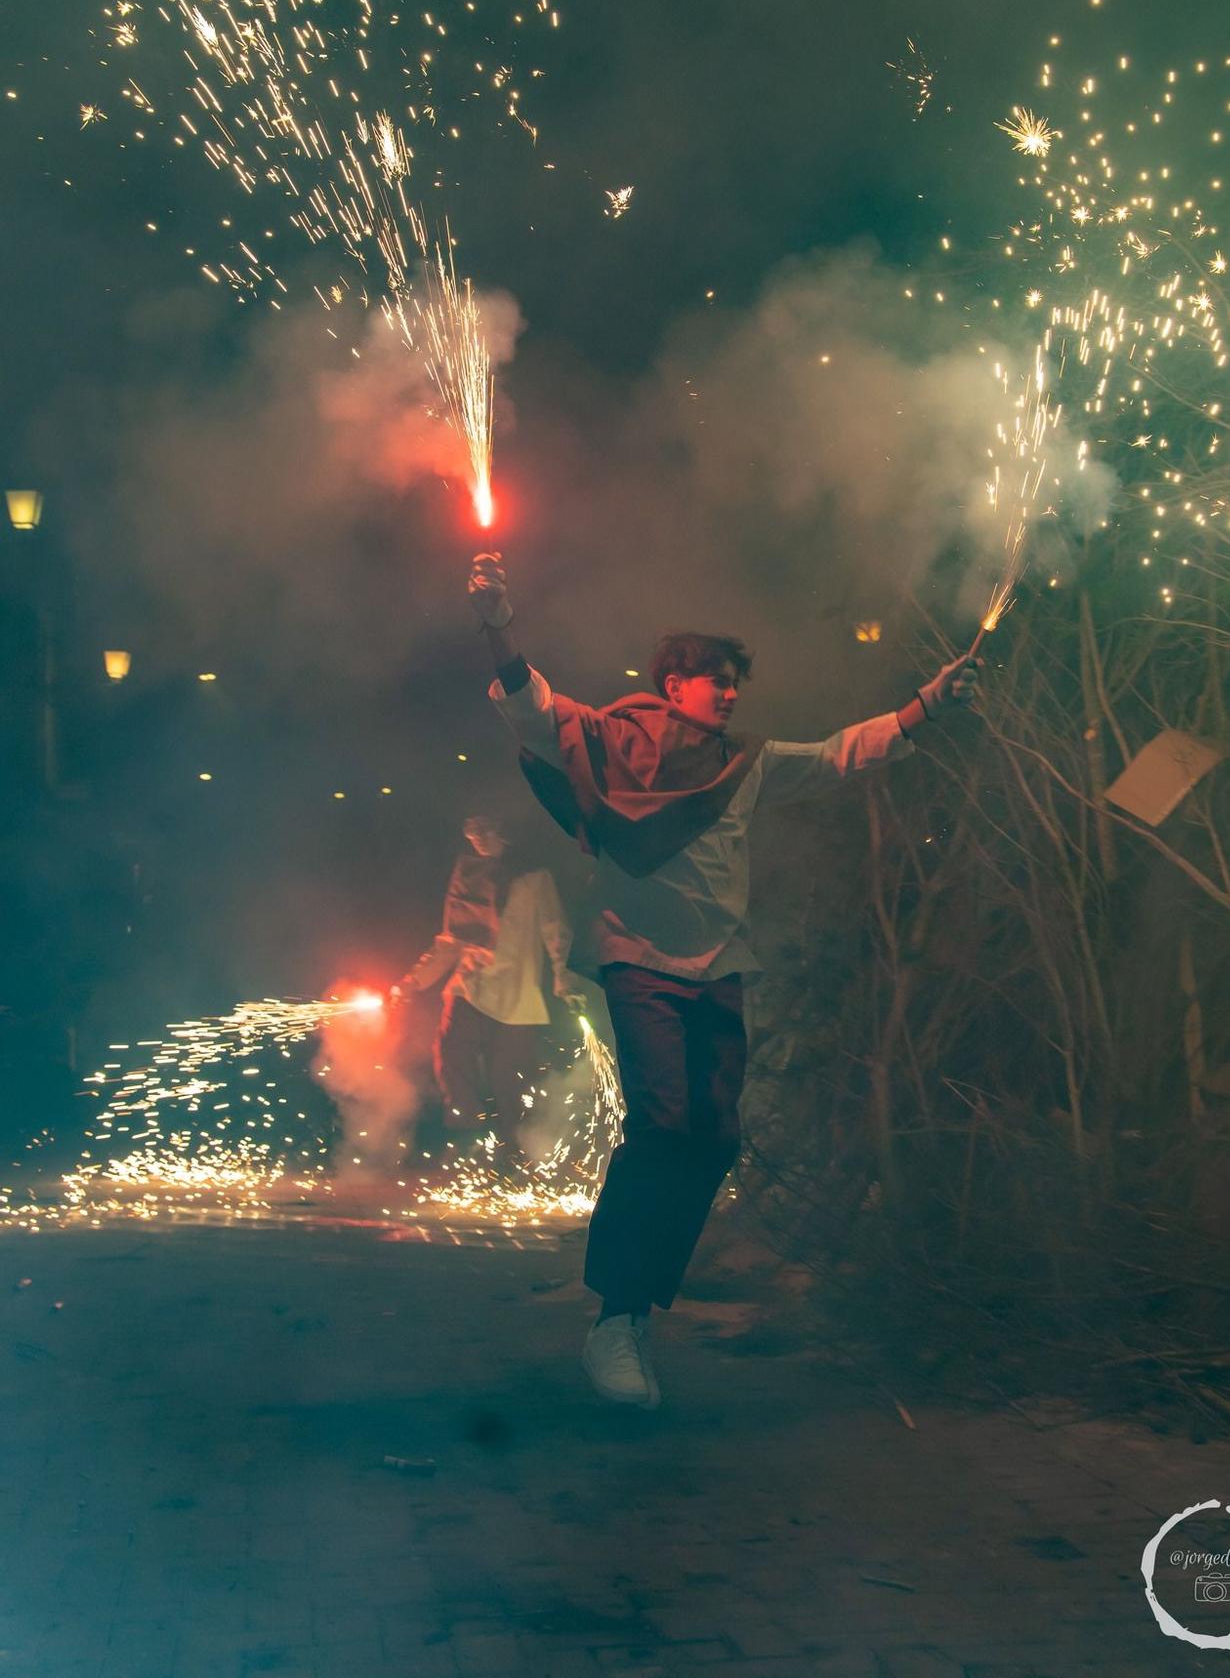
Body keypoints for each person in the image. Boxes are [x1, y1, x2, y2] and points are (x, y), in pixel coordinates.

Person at [466, 551, 982, 1410]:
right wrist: (496, 626)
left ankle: (637, 1313)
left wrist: (924, 708)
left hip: (719, 970)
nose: (731, 693)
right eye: (715, 680)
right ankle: (617, 1319)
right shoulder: (610, 741)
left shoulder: (744, 764)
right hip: (638, 962)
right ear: (673, 685)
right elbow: (533, 712)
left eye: (736, 682)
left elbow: (838, 756)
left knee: (713, 1140)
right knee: (664, 1123)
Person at [393, 814, 575, 1170]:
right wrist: (412, 980)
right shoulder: (468, 872)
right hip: (469, 986)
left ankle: (513, 1157)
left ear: (504, 831)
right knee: (451, 1056)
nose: (475, 836)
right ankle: (468, 1142)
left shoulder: (534, 878)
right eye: (470, 830)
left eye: (483, 828)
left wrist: (562, 975)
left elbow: (555, 929)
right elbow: (449, 940)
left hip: (515, 995)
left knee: (511, 1081)